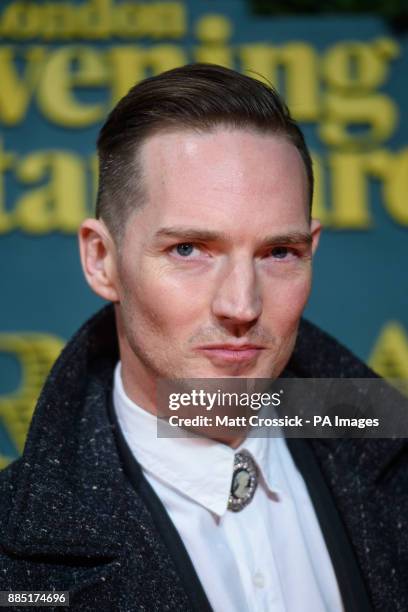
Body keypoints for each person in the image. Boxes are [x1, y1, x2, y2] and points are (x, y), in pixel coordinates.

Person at [0, 64, 406, 612]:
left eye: (278, 253)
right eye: (188, 249)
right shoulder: (12, 553)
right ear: (102, 261)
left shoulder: (390, 452)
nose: (241, 305)